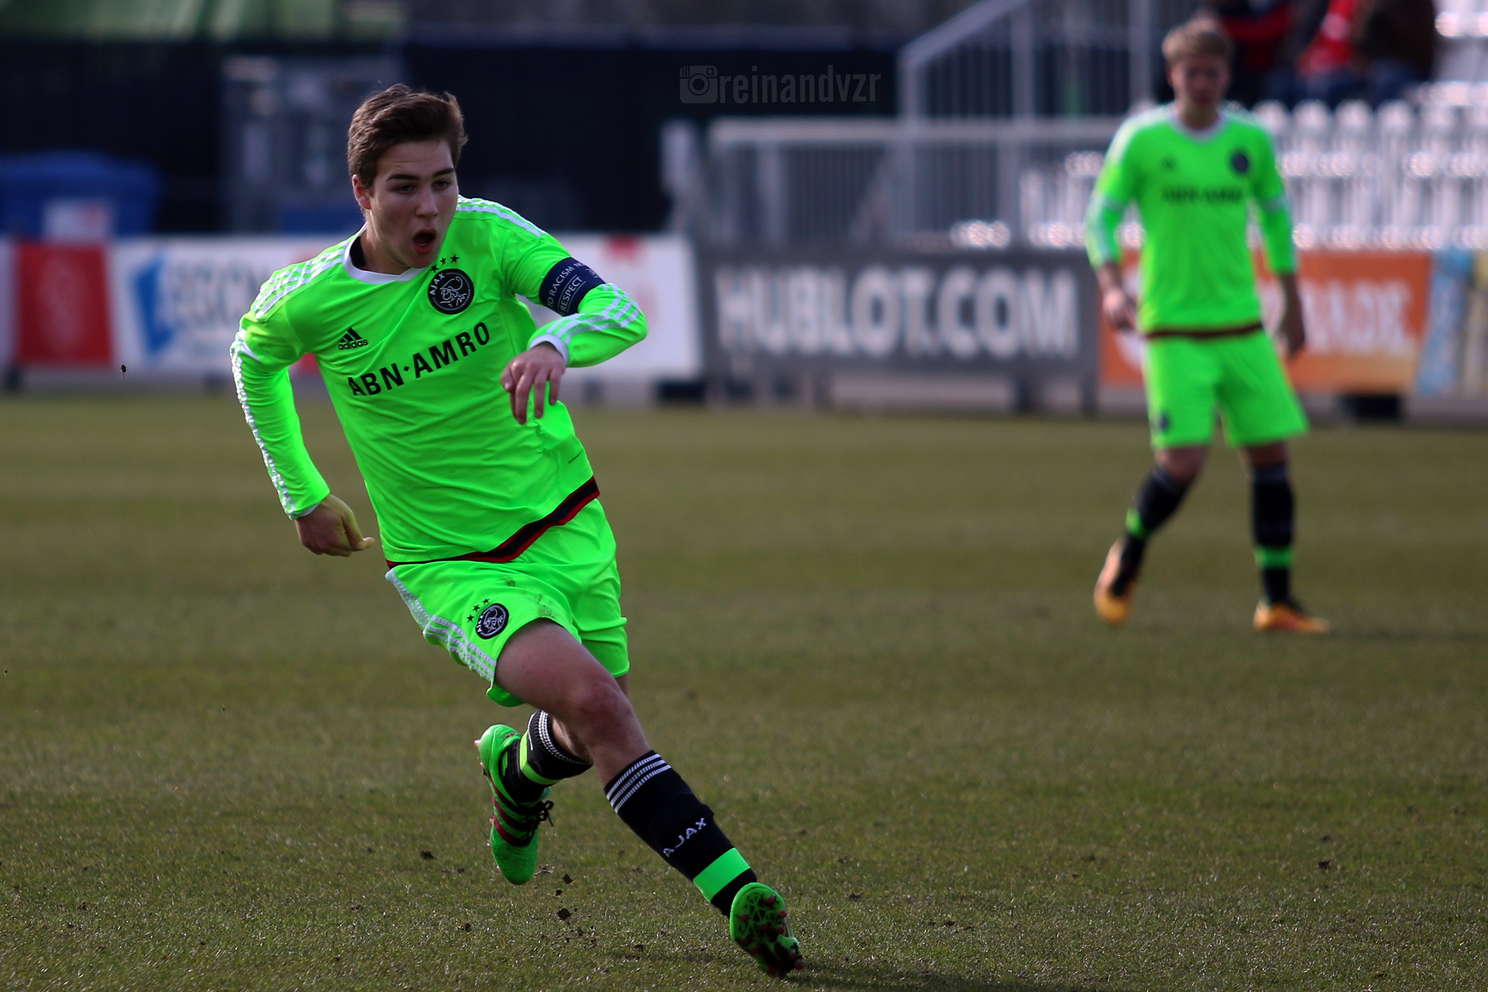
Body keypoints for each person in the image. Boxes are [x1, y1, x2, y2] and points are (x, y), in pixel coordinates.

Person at [231, 84, 803, 977]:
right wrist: (301, 493)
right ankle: (740, 895)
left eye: (444, 183)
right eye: (405, 188)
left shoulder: (492, 237)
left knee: (584, 729)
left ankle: (516, 774)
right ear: (361, 193)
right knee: (603, 707)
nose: (430, 208)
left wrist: (555, 343)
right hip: (451, 564)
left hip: (570, 525)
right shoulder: (311, 300)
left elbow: (620, 310)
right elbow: (253, 358)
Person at [1085, 22, 1330, 634]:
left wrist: (1294, 302)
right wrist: (1114, 287)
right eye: (1190, 72)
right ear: (1173, 76)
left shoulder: (1249, 140)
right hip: (1173, 331)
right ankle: (1130, 551)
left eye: (1212, 72)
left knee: (1271, 457)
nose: (1201, 82)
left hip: (1243, 328)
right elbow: (1099, 219)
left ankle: (1276, 601)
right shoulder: (1141, 140)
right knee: (1183, 463)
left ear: (1227, 75)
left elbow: (1276, 222)